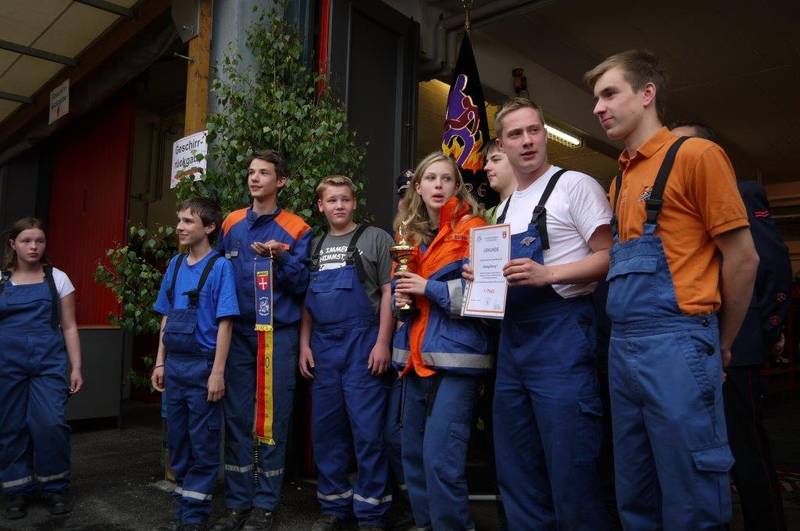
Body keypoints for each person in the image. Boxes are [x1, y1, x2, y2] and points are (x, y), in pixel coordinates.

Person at [585, 50, 759, 529]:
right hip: (623, 347)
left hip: (678, 344)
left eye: (609, 94)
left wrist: (721, 342)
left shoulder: (697, 156)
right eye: (595, 98)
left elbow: (744, 258)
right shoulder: (620, 179)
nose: (598, 107)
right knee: (635, 492)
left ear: (647, 94)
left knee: (691, 495)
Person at [464, 97, 613, 530]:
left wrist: (549, 274)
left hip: (562, 337)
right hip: (513, 343)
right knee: (517, 468)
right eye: (516, 134)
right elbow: (504, 278)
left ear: (545, 135)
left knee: (571, 467)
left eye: (534, 130)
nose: (527, 141)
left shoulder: (574, 185)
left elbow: (609, 256)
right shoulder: (504, 207)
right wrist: (482, 276)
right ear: (501, 144)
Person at [672, 121, 788, 530]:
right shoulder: (678, 202)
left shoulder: (739, 192)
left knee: (746, 449)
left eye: (683, 147)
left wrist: (770, 330)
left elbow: (769, 264)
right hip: (692, 344)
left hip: (736, 346)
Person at [213, 149, 312, 531]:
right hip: (237, 334)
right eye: (252, 172)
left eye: (264, 173)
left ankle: (265, 505)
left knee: (273, 420)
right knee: (237, 418)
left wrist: (281, 258)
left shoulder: (297, 228)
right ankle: (237, 504)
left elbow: (302, 286)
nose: (254, 178)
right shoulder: (231, 222)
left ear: (280, 181)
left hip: (278, 336)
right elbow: (218, 274)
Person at [392, 151, 491, 530]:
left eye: (446, 179)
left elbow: (486, 297)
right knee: (412, 455)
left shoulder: (474, 230)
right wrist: (400, 299)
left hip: (456, 359)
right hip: (414, 357)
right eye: (430, 179)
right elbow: (402, 296)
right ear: (418, 187)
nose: (438, 185)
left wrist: (427, 288)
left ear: (457, 186)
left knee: (441, 459)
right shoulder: (409, 235)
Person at [299, 175, 394, 531]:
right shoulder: (314, 245)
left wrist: (383, 342)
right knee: (326, 430)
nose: (339, 205)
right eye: (331, 200)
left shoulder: (376, 238)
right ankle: (334, 505)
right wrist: (304, 344)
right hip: (323, 347)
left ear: (355, 203)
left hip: (363, 345)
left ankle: (371, 511)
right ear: (321, 206)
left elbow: (389, 292)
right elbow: (308, 300)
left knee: (368, 431)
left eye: (345, 199)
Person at [151, 198, 239, 531]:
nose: (180, 227)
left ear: (210, 227)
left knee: (203, 443)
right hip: (175, 367)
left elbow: (226, 323)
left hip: (203, 367)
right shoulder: (175, 265)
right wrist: (160, 362)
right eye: (180, 220)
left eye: (188, 221)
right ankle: (183, 508)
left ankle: (193, 517)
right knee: (177, 442)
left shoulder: (220, 267)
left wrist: (217, 372)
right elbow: (166, 317)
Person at [0, 217, 83, 519]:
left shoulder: (57, 278)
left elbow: (69, 326)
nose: (33, 246)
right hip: (6, 364)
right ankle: (16, 491)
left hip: (48, 363)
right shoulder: (1, 279)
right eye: (26, 241)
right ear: (13, 244)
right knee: (11, 425)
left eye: (39, 241)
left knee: (51, 423)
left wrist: (76, 367)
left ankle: (55, 487)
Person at [482, 141, 516, 224]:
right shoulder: (486, 217)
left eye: (495, 160)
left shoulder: (537, 205)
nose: (486, 167)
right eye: (486, 162)